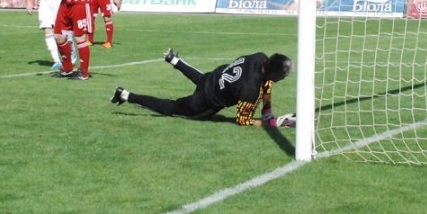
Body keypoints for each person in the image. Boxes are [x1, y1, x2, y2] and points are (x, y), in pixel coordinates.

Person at [111, 48, 295, 127]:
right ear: (273, 73)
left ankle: (173, 59)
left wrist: (267, 110)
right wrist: (274, 122)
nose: (283, 78)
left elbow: (266, 82)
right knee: (172, 107)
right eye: (282, 75)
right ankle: (125, 95)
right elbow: (243, 120)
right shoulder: (250, 89)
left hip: (214, 77)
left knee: (200, 78)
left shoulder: (260, 57)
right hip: (205, 102)